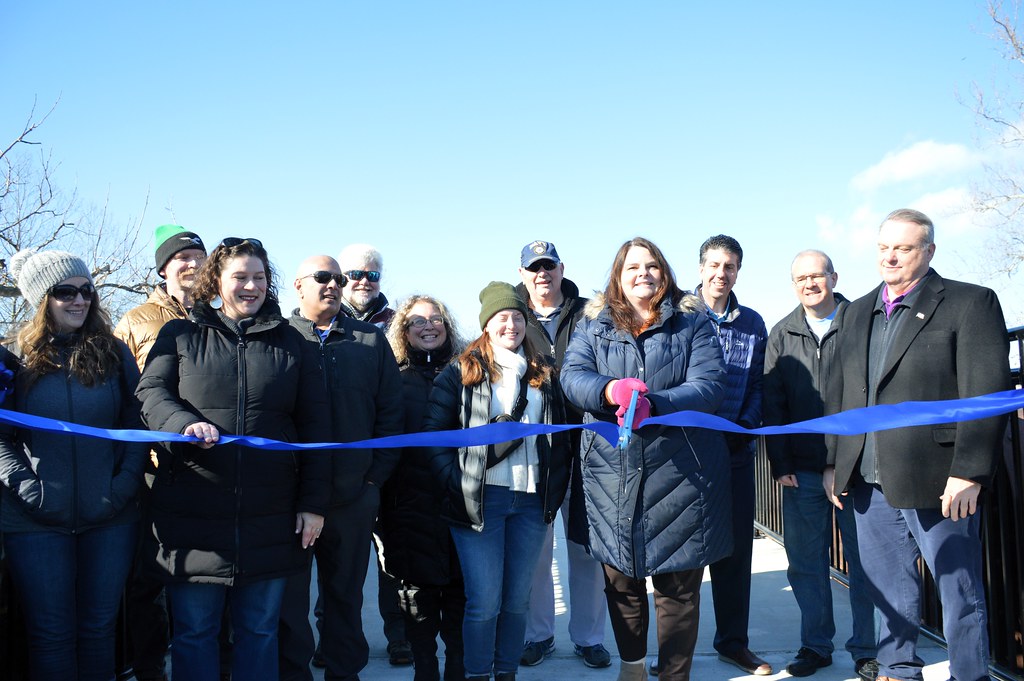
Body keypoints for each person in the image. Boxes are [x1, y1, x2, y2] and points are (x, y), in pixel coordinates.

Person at [825, 208, 1009, 681]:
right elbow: (842, 392)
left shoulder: (971, 303)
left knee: (957, 588)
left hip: (941, 477)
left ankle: (970, 674)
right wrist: (834, 463)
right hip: (867, 478)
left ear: (928, 251)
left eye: (903, 248)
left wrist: (970, 470)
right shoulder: (856, 310)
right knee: (887, 587)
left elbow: (985, 393)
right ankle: (897, 669)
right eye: (884, 247)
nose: (891, 256)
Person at [136, 238, 332, 681]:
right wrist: (182, 423)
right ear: (217, 282)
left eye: (259, 277)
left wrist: (313, 503)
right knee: (194, 632)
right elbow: (150, 393)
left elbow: (318, 427)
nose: (251, 286)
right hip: (193, 512)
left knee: (259, 631)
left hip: (271, 516)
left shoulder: (292, 343)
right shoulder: (180, 335)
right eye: (240, 277)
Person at [561, 237, 732, 681]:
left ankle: (675, 675)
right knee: (623, 583)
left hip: (682, 473)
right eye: (633, 266)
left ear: (666, 273)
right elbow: (572, 377)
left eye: (652, 265)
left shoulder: (692, 322)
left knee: (678, 590)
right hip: (610, 475)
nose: (644, 273)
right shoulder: (593, 323)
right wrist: (610, 391)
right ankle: (633, 666)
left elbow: (710, 384)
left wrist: (656, 404)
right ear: (618, 275)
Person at [0, 248, 149, 681]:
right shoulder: (14, 360)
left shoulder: (115, 355)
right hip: (34, 522)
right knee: (50, 634)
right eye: (65, 292)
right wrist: (30, 492)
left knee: (99, 630)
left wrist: (120, 489)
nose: (79, 300)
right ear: (41, 300)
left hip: (110, 519)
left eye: (86, 291)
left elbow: (136, 425)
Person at [423, 281, 571, 681]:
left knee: (517, 602)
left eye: (518, 317)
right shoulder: (461, 371)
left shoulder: (544, 373)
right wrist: (456, 482)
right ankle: (477, 675)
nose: (511, 325)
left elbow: (562, 439)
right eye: (502, 317)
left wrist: (553, 492)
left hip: (531, 500)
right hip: (480, 501)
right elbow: (434, 436)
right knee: (483, 602)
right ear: (486, 324)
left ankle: (506, 673)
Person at [279, 254, 404, 681]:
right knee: (290, 604)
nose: (332, 285)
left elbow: (391, 413)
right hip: (289, 498)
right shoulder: (278, 338)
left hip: (353, 495)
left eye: (337, 278)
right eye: (321, 277)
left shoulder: (369, 340)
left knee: (344, 600)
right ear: (298, 285)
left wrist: (373, 478)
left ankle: (343, 673)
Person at [763, 250, 877, 680]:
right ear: (794, 285)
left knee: (866, 565)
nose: (810, 284)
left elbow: (869, 396)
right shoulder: (782, 332)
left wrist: (843, 463)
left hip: (857, 470)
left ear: (834, 276)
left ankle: (868, 649)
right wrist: (779, 463)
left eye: (817, 276)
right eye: (801, 278)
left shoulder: (861, 324)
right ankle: (816, 645)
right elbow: (773, 404)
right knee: (805, 563)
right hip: (801, 473)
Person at [114, 223, 207, 681]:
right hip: (154, 466)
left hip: (209, 464)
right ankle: (148, 664)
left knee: (207, 571)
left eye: (198, 255)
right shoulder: (135, 320)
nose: (192, 264)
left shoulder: (219, 314)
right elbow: (122, 393)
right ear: (164, 267)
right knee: (149, 575)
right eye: (182, 257)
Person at [515, 240, 610, 670]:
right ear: (522, 274)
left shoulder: (591, 312)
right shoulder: (510, 316)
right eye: (533, 268)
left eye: (548, 266)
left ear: (561, 269)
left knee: (586, 549)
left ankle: (589, 638)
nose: (542, 274)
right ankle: (539, 635)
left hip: (587, 447)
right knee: (535, 550)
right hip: (534, 452)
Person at [690, 234, 771, 676]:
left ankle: (733, 643)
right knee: (684, 556)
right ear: (701, 268)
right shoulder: (678, 313)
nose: (722, 274)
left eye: (731, 267)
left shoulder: (753, 323)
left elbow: (759, 384)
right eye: (715, 265)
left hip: (736, 452)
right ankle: (676, 647)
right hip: (684, 453)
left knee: (736, 554)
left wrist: (746, 425)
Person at [376, 294, 467, 681]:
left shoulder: (468, 374)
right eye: (417, 321)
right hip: (407, 505)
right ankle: (425, 670)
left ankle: (459, 671)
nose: (428, 326)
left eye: (436, 320)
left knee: (460, 596)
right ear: (404, 331)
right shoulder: (392, 379)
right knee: (418, 598)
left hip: (459, 501)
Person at [335, 242, 409, 665]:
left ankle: (397, 634)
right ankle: (336, 637)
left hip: (387, 454)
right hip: (339, 461)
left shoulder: (399, 321)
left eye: (372, 274)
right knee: (338, 556)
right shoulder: (321, 317)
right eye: (354, 274)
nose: (363, 281)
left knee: (391, 556)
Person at [338, 242, 397, 329]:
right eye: (356, 274)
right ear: (342, 279)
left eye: (372, 275)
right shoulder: (326, 317)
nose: (364, 281)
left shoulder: (395, 322)